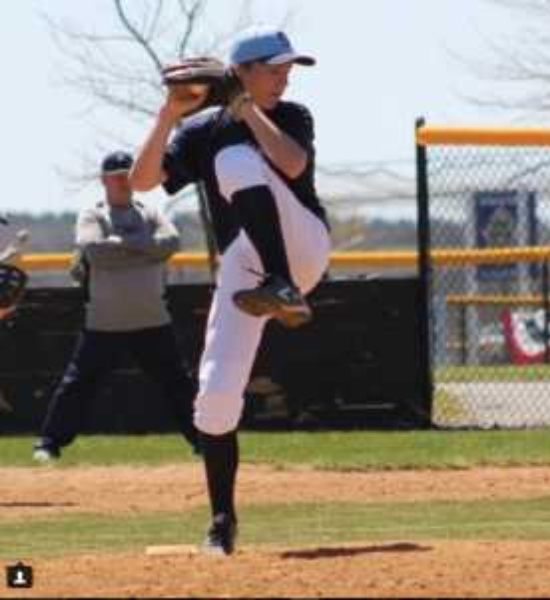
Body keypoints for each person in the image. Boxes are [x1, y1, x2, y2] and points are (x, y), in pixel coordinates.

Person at [129, 25, 331, 555]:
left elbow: (291, 163)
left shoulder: (290, 116)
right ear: (241, 71)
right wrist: (168, 116)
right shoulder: (202, 131)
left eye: (288, 69)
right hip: (246, 265)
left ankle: (282, 284)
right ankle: (222, 521)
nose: (285, 78)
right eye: (275, 69)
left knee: (234, 159)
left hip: (302, 244)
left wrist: (244, 109)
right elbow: (142, 182)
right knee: (215, 395)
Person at [33, 151, 201, 461]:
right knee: (76, 386)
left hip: (152, 320)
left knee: (177, 384)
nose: (124, 181)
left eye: (128, 174)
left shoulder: (151, 213)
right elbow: (95, 251)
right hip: (104, 323)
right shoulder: (93, 215)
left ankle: (204, 441)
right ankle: (48, 444)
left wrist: (120, 244)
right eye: (117, 176)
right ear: (104, 180)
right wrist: (145, 247)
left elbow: (171, 243)